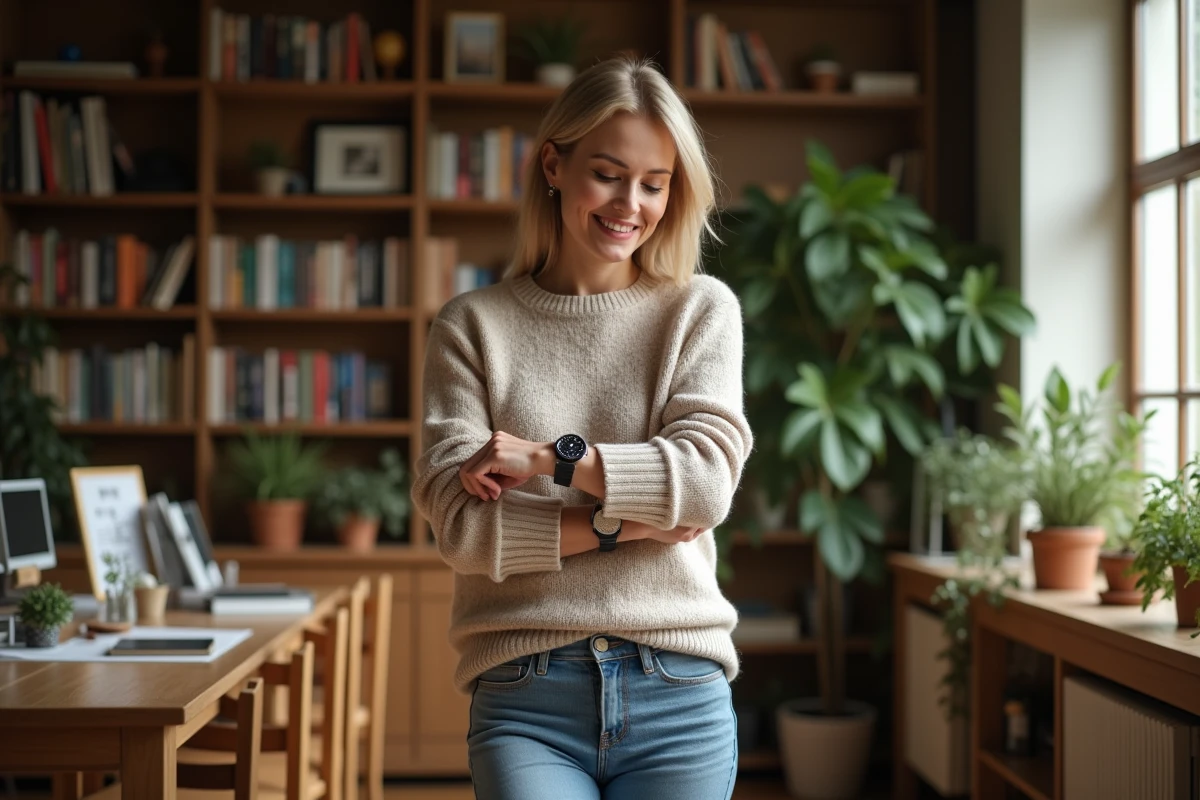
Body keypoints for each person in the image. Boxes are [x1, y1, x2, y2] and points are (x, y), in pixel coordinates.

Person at [410, 55, 755, 800]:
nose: (630, 203)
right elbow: (464, 533)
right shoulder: (472, 327)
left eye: (655, 184)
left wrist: (546, 459)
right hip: (526, 693)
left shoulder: (700, 311)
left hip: (679, 689)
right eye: (607, 173)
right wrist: (629, 524)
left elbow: (701, 488)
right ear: (554, 166)